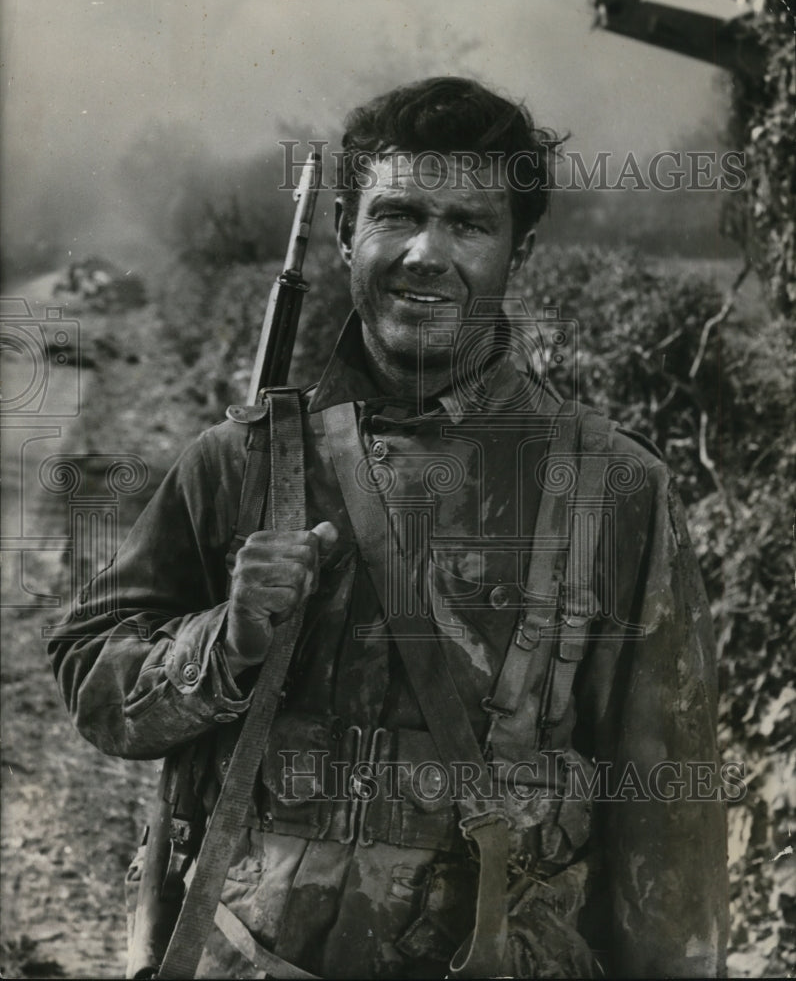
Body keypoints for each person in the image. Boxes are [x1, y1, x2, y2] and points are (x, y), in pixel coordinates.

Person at [49, 76, 729, 979]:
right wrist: (227, 643)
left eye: (469, 223)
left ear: (519, 252)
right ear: (344, 233)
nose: (424, 254)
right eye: (396, 214)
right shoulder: (238, 461)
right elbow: (91, 680)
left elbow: (669, 837)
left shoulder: (618, 491)